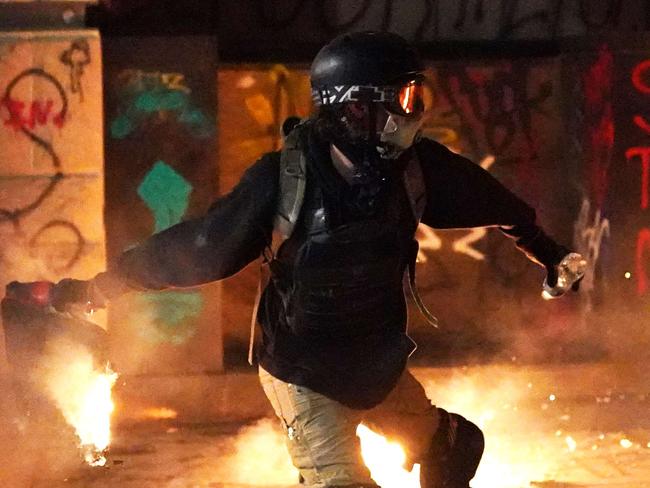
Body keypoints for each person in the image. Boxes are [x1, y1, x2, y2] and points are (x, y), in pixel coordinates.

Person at [38, 31, 585, 488]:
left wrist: (549, 254)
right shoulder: (282, 178)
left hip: (376, 362)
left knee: (456, 448)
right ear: (354, 106)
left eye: (415, 97)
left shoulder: (417, 169)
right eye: (402, 99)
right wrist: (100, 288)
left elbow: (496, 204)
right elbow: (200, 247)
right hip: (303, 369)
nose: (412, 113)